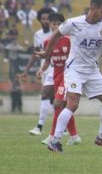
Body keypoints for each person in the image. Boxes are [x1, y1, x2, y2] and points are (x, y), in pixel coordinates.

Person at [34, 0, 102, 153]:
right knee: (72, 104)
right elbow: (57, 35)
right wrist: (47, 52)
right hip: (74, 70)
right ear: (92, 8)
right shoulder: (74, 22)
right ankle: (55, 141)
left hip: (93, 71)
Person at [38, 12, 81, 146]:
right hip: (56, 76)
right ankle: (74, 136)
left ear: (62, 25)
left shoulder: (69, 40)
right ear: (49, 25)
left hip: (68, 76)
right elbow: (47, 60)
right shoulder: (47, 42)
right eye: (53, 23)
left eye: (58, 24)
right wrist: (41, 70)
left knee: (57, 104)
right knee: (63, 106)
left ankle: (52, 136)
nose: (56, 26)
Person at [22, 7, 54, 136]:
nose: (45, 21)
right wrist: (26, 70)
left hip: (56, 66)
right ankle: (64, 129)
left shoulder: (56, 33)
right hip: (44, 68)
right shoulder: (38, 34)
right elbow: (35, 54)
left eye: (47, 19)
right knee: (53, 99)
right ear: (39, 20)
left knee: (46, 94)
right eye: (43, 19)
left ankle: (39, 127)